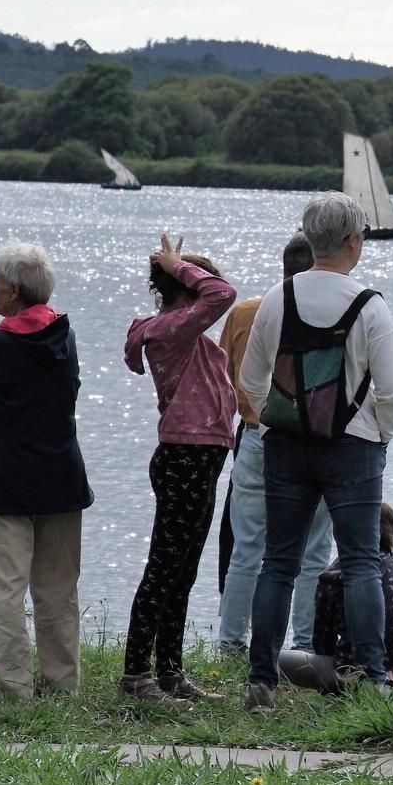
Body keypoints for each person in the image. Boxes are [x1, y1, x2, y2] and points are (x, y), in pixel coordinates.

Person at [239, 192, 393, 707]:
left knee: (278, 562)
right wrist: (380, 435)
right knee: (360, 563)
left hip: (286, 446)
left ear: (310, 240)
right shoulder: (369, 304)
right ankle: (375, 678)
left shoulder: (277, 297)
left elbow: (250, 379)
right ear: (355, 241)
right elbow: (392, 392)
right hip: (353, 449)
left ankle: (261, 679)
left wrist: (273, 425)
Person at [0, 242, 93, 701]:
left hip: (4, 483)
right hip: (61, 480)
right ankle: (62, 684)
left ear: (12, 290)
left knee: (4, 592)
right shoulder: (62, 336)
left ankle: (13, 688)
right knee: (57, 592)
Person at [118, 237, 238, 704]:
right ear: (186, 292)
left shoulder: (187, 336)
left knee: (183, 570)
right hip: (184, 458)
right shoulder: (169, 332)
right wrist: (176, 264)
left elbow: (213, 296)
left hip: (203, 457)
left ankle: (169, 671)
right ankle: (135, 674)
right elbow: (222, 294)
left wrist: (178, 267)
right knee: (164, 568)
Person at [217, 234, 333, 653]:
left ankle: (231, 642)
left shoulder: (247, 312)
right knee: (314, 549)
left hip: (255, 436)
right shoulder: (335, 312)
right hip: (318, 440)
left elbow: (226, 380)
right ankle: (303, 646)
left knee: (246, 547)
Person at [280, 503, 393, 691]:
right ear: (392, 533)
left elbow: (323, 638)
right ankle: (387, 691)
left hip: (349, 676)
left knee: (275, 658)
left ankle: (355, 688)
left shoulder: (331, 576)